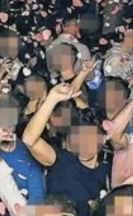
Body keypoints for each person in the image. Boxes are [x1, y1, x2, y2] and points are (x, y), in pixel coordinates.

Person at [22, 83, 110, 216]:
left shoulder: (106, 169)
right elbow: (29, 140)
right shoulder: (62, 162)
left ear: (102, 139)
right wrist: (52, 98)